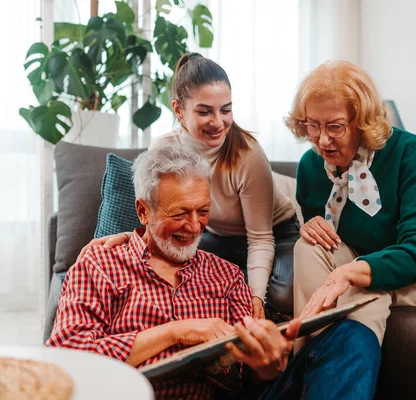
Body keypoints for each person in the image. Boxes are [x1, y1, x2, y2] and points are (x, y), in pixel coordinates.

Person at [47, 145, 380, 400]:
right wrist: (176, 332)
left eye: (203, 211)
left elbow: (242, 380)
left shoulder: (227, 276)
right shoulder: (99, 264)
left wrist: (264, 367)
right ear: (142, 210)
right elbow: (66, 354)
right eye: (179, 213)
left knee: (353, 336)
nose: (194, 226)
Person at [82, 53, 299, 319]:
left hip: (273, 233)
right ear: (178, 110)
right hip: (214, 235)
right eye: (205, 111)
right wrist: (130, 237)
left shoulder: (248, 156)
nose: (218, 122)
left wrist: (256, 298)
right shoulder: (164, 149)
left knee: (282, 293)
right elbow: (157, 219)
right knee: (179, 274)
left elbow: (260, 239)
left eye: (226, 109)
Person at [286, 60, 416, 345]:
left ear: (362, 120)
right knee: (308, 248)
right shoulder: (310, 166)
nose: (323, 140)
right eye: (312, 126)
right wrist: (312, 226)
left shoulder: (408, 150)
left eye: (336, 126)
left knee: (364, 287)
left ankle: (340, 378)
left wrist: (357, 271)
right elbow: (333, 248)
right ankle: (302, 360)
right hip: (366, 258)